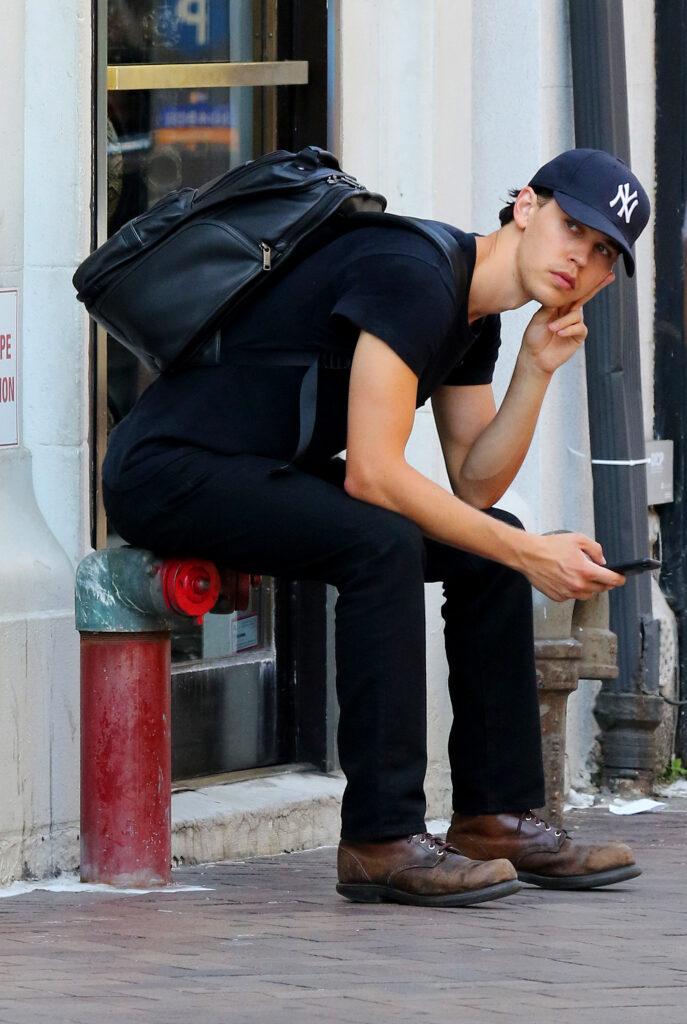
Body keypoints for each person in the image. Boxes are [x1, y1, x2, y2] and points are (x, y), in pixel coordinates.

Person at [102, 148, 650, 908]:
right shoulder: (415, 274)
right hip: (168, 469)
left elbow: (474, 481)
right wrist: (527, 552)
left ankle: (494, 816)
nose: (578, 261)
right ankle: (380, 838)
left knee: (484, 542)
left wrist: (534, 372)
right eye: (571, 229)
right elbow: (372, 473)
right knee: (385, 537)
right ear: (525, 207)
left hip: (258, 470)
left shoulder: (472, 315)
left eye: (600, 257)